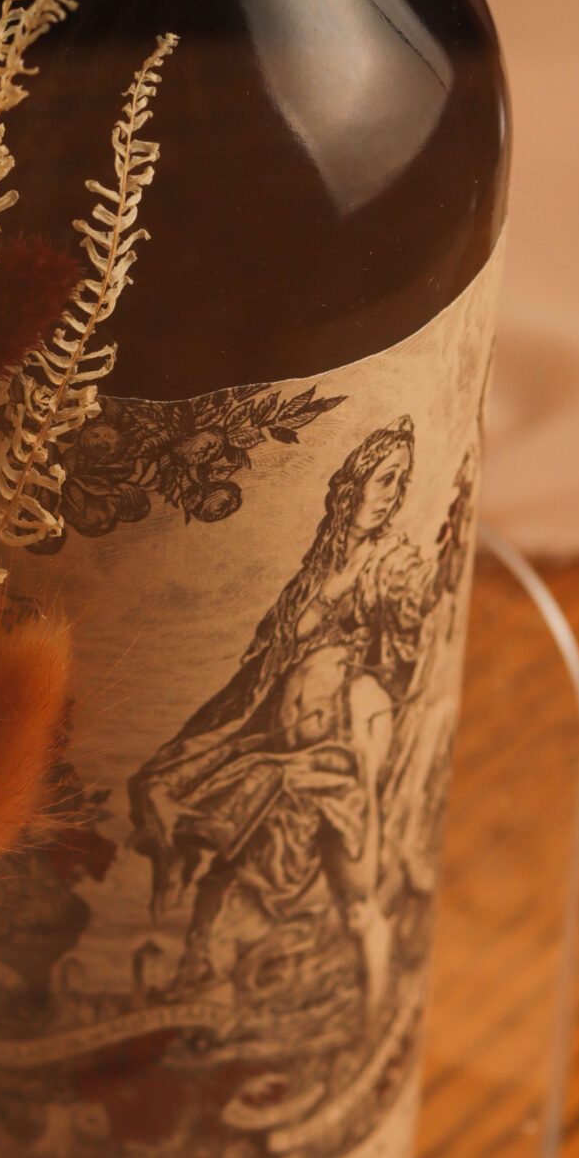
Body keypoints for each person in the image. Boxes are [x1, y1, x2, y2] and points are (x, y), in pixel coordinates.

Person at [128, 419, 461, 1023]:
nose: (392, 494)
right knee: (228, 873)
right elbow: (266, 666)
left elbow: (413, 635)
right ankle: (202, 984)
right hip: (279, 749)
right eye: (384, 478)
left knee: (353, 898)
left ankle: (372, 1013)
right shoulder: (316, 571)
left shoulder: (393, 564)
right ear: (352, 485)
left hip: (341, 759)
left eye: (401, 480)